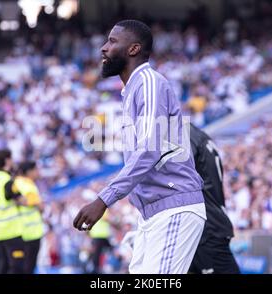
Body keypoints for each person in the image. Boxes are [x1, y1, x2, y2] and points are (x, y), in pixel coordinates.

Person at [73, 20, 206, 274]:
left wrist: (103, 199)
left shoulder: (148, 82)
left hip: (174, 206)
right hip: (153, 214)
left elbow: (149, 150)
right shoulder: (132, 90)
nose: (103, 48)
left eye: (112, 41)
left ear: (133, 49)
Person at [187, 123, 240, 274]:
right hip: (209, 222)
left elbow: (180, 177)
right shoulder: (198, 134)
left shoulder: (183, 135)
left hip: (205, 227)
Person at [0, 149, 25, 274]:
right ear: (7, 160)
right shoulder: (7, 180)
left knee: (2, 266)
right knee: (16, 266)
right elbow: (21, 200)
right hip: (10, 230)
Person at [14, 161, 44, 274]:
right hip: (30, 232)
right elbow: (38, 205)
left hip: (23, 231)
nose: (38, 172)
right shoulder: (26, 184)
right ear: (29, 171)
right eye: (36, 170)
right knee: (28, 267)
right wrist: (39, 205)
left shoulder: (18, 182)